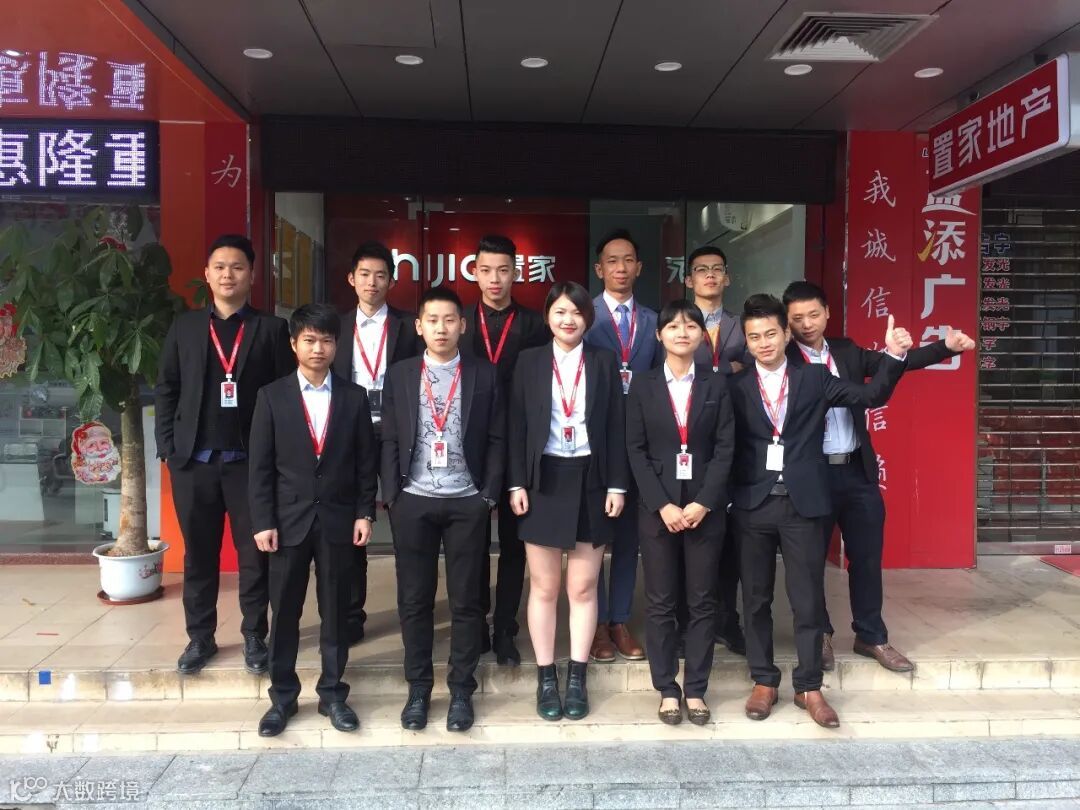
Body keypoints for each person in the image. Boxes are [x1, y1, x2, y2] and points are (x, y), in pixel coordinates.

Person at [732, 294, 911, 729]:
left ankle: (809, 686)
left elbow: (870, 395)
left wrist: (893, 356)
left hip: (803, 505)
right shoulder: (734, 386)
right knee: (755, 599)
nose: (763, 343)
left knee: (807, 600)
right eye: (754, 337)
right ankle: (763, 680)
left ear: (785, 334)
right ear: (746, 341)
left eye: (771, 334)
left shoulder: (813, 378)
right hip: (753, 505)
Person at [782, 281, 976, 673]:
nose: (807, 324)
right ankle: (818, 635)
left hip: (857, 471)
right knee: (809, 562)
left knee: (867, 558)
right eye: (797, 318)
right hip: (811, 474)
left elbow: (896, 362)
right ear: (787, 323)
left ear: (827, 313)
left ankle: (871, 635)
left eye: (813, 314)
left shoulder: (846, 351)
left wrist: (945, 347)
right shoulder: (782, 360)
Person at [155, 234, 295, 676]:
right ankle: (201, 637)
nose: (228, 274)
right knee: (199, 555)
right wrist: (168, 447)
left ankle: (255, 635)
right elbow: (167, 388)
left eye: (237, 267)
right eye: (219, 266)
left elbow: (284, 395)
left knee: (255, 556)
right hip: (194, 462)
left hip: (249, 465)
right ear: (207, 274)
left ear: (252, 275)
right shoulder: (185, 327)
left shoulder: (271, 330)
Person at [248, 304, 378, 737]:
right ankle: (282, 698)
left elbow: (365, 462)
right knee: (285, 612)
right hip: (287, 523)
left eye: (326, 340)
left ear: (336, 345)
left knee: (336, 612)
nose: (318, 348)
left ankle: (333, 695)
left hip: (339, 520)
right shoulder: (271, 396)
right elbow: (260, 467)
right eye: (309, 340)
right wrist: (263, 520)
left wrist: (364, 511)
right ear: (294, 344)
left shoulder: (354, 397)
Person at [380, 287, 505, 733]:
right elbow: (389, 437)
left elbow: (497, 437)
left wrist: (487, 495)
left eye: (449, 319)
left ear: (462, 325)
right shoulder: (400, 374)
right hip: (413, 500)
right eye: (432, 320)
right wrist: (393, 495)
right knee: (414, 601)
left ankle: (461, 691)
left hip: (466, 500)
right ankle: (418, 689)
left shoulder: (484, 373)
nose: (441, 328)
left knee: (467, 602)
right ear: (418, 326)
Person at [508, 281, 628, 721]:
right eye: (560, 311)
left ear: (587, 319)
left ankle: (577, 676)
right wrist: (516, 483)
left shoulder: (603, 361)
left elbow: (616, 424)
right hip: (543, 480)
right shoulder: (529, 361)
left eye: (576, 312)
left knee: (582, 586)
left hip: (591, 479)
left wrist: (617, 485)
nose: (568, 319)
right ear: (547, 317)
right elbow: (516, 425)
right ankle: (546, 677)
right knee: (544, 586)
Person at [626, 299, 734, 726]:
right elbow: (635, 449)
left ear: (701, 336)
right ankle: (667, 688)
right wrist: (663, 504)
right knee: (660, 601)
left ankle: (696, 689)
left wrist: (704, 501)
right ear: (659, 335)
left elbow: (726, 448)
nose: (682, 332)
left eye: (691, 326)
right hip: (659, 511)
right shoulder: (643, 384)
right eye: (673, 326)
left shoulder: (717, 384)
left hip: (705, 510)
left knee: (703, 601)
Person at [462, 234, 548, 667]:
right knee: (472, 541)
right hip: (469, 444)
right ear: (474, 273)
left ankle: (506, 628)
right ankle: (477, 621)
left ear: (516, 273)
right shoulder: (459, 320)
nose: (494, 279)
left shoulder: (535, 324)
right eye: (486, 270)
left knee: (515, 544)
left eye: (503, 270)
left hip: (519, 444)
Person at [332, 240, 419, 646]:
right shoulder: (336, 327)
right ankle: (352, 615)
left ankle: (411, 613)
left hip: (397, 432)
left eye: (381, 275)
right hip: (350, 432)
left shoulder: (409, 326)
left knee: (404, 520)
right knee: (354, 521)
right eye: (364, 274)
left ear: (392, 281)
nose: (372, 282)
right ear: (351, 279)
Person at [584, 228, 661, 663]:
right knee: (595, 537)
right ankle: (595, 623)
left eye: (628, 260)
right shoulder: (583, 316)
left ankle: (619, 619)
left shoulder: (654, 321)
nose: (620, 268)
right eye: (612, 261)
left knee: (630, 536)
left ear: (639, 267)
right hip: (596, 442)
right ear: (599, 269)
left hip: (640, 443)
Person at [684, 245, 750, 656]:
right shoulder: (677, 321)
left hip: (734, 437)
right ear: (688, 279)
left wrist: (712, 369)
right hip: (686, 440)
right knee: (684, 537)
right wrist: (727, 368)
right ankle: (685, 623)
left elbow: (753, 366)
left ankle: (727, 621)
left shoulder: (743, 326)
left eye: (716, 269)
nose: (709, 275)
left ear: (727, 277)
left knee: (728, 540)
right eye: (701, 269)